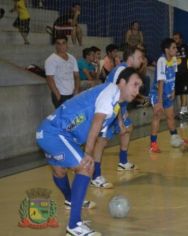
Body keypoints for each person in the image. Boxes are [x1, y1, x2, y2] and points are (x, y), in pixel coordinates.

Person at [36, 67, 142, 236]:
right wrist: (89, 153)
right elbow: (96, 123)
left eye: (139, 87)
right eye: (135, 85)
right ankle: (74, 225)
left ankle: (71, 200)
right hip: (57, 133)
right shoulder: (111, 91)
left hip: (49, 132)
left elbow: (98, 126)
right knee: (86, 166)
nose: (137, 91)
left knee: (59, 170)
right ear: (122, 82)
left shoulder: (114, 100)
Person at [88, 47, 144, 185]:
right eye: (139, 57)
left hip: (119, 106)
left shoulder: (130, 71)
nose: (141, 60)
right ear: (130, 58)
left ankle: (123, 161)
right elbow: (112, 95)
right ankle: (95, 176)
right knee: (102, 140)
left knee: (128, 128)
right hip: (108, 106)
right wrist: (119, 121)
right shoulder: (121, 71)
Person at [149, 38, 187, 153]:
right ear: (166, 50)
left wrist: (173, 90)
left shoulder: (174, 59)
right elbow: (161, 82)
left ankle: (175, 138)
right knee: (157, 116)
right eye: (174, 48)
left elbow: (173, 76)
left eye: (176, 47)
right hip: (157, 94)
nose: (176, 49)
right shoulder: (162, 60)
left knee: (170, 116)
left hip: (168, 93)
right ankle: (153, 144)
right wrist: (159, 101)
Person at [44, 35, 80, 108]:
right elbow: (49, 78)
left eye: (63, 43)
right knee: (62, 117)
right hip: (60, 95)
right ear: (55, 45)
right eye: (58, 43)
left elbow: (77, 76)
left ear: (67, 44)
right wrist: (57, 94)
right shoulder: (51, 60)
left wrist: (76, 90)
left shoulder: (72, 58)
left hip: (72, 93)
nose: (61, 46)